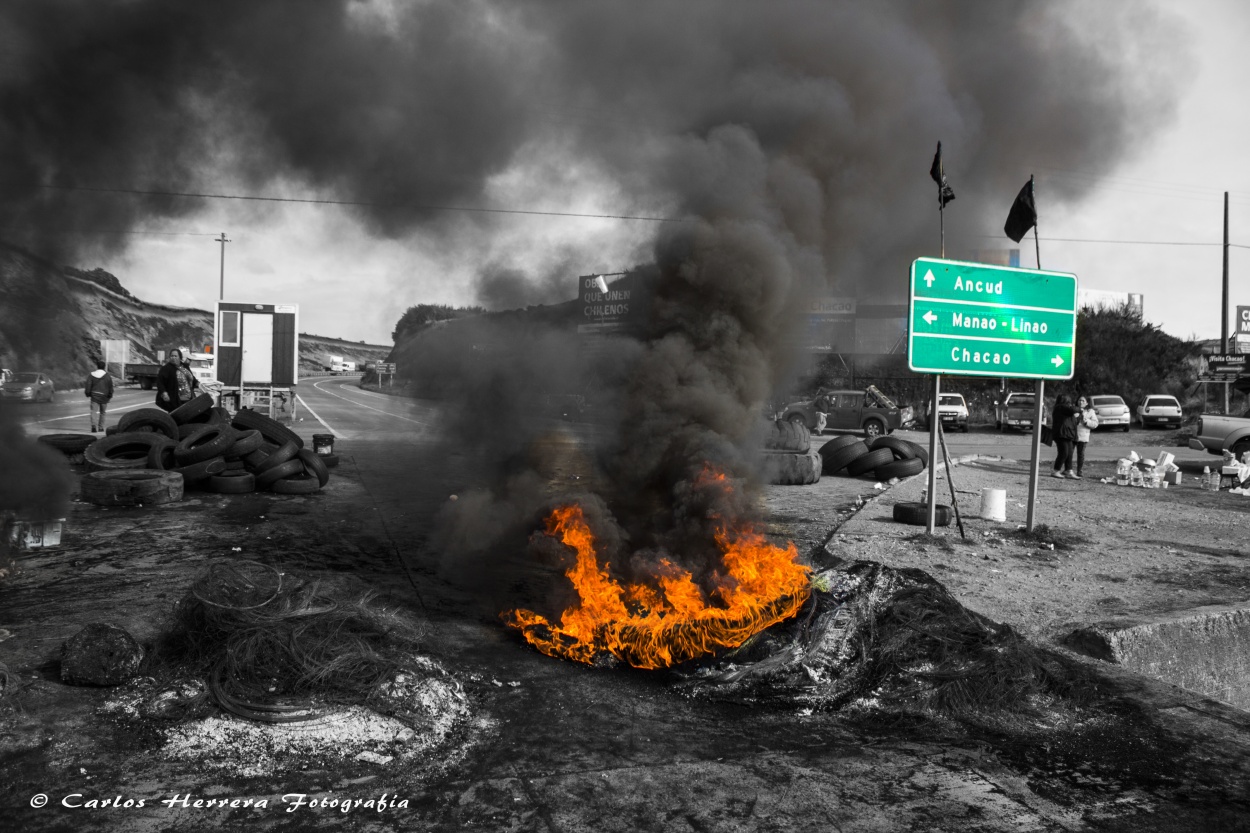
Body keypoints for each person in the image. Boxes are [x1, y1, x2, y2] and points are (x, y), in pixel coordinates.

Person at [1051, 394, 1080, 479]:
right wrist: (1080, 409)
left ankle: (1068, 470)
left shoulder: (1065, 410)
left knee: (1070, 453)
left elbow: (1075, 421)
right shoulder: (1060, 407)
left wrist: (1077, 416)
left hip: (1068, 433)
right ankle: (1056, 470)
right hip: (1061, 434)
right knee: (1064, 453)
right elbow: (1074, 409)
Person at [83, 360, 114, 432]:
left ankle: (93, 426)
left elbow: (88, 385)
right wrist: (110, 395)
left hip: (94, 396)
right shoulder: (107, 376)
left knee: (93, 411)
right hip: (104, 397)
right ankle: (101, 427)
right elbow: (110, 387)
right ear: (104, 367)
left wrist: (88, 393)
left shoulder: (91, 375)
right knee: (102, 413)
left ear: (97, 366)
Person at [1074, 395, 1099, 478]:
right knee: (1068, 453)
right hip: (1072, 435)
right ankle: (1068, 469)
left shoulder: (1090, 411)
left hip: (1083, 436)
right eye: (1079, 400)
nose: (1081, 402)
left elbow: (1095, 424)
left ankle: (1079, 471)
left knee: (1080, 454)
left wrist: (1086, 421)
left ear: (1086, 403)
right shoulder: (1073, 410)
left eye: (1083, 401)